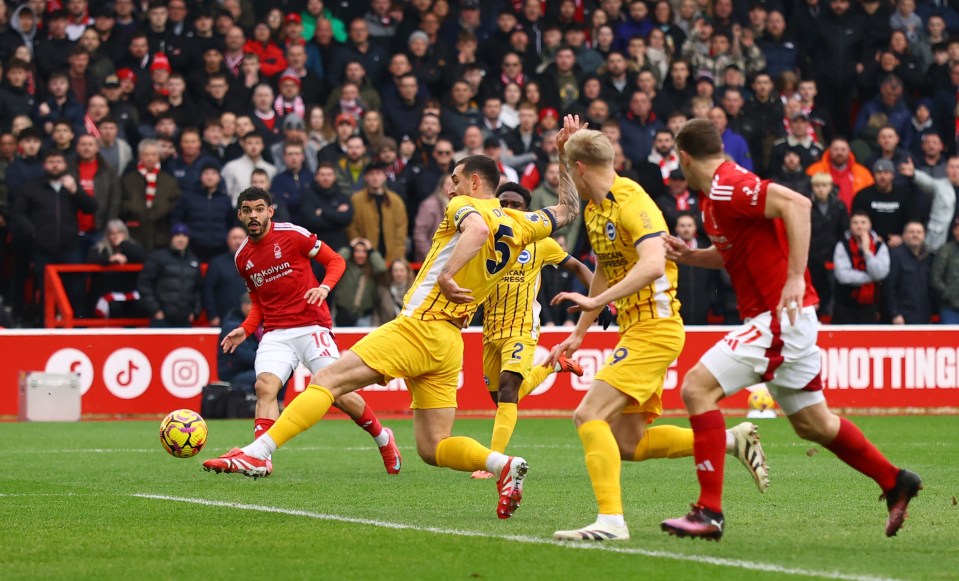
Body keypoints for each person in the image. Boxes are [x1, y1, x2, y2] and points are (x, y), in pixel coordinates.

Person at [203, 147, 582, 521]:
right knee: (433, 448)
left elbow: (478, 229)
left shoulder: (464, 207)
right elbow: (567, 211)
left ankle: (258, 452)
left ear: (475, 181)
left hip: (420, 324)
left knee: (326, 379)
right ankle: (503, 464)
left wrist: (448, 274)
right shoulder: (522, 222)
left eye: (454, 180)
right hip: (451, 341)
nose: (449, 189)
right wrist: (564, 158)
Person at [661, 119, 921, 541]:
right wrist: (690, 256)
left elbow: (797, 204)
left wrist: (796, 277)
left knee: (695, 388)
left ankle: (709, 512)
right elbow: (733, 254)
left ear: (685, 158)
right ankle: (895, 480)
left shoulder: (729, 183)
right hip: (784, 318)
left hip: (779, 315)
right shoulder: (714, 199)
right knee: (814, 425)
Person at [546, 120, 767, 542]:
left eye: (568, 169)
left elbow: (651, 264)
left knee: (588, 415)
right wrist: (580, 332)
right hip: (635, 328)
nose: (566, 177)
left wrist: (595, 302)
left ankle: (610, 521)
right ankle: (730, 440)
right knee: (629, 443)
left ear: (580, 168)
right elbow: (606, 271)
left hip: (656, 327)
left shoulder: (632, 199)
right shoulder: (596, 209)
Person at [212, 187, 401, 475]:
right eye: (247, 210)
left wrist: (324, 287)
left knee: (338, 394)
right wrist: (246, 329)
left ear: (270, 211)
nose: (253, 215)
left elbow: (336, 261)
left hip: (312, 325)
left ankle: (383, 438)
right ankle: (261, 459)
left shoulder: (292, 234)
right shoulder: (242, 258)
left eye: (259, 209)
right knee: (264, 387)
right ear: (239, 215)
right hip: (276, 333)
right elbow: (258, 303)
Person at [470, 182, 593, 480]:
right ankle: (554, 364)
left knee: (509, 391)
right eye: (504, 203)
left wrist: (597, 301)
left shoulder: (540, 243)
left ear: (527, 212)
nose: (509, 209)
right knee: (502, 399)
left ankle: (494, 463)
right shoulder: (484, 239)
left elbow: (578, 267)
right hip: (491, 331)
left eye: (516, 205)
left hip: (522, 328)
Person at [833, 211, 891, 324]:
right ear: (850, 226)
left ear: (870, 225)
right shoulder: (842, 245)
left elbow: (881, 273)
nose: (859, 226)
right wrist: (871, 277)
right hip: (845, 306)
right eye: (855, 222)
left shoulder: (880, 246)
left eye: (863, 222)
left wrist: (867, 252)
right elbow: (843, 276)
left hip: (871, 306)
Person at [87, 220, 148, 319]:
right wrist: (109, 259)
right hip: (107, 294)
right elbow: (90, 259)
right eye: (112, 233)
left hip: (129, 292)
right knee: (115, 308)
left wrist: (123, 244)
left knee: (140, 306)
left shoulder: (133, 247)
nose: (115, 236)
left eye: (119, 233)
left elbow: (144, 258)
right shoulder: (100, 249)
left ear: (125, 233)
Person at [883, 221, 934, 324]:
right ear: (904, 235)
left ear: (924, 235)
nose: (915, 235)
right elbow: (888, 287)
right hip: (901, 316)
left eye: (919, 232)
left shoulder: (929, 258)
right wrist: (894, 313)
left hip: (923, 314)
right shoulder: (895, 255)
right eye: (911, 232)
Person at [930, 217, 959, 324]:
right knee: (950, 340)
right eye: (958, 228)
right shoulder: (945, 250)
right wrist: (950, 296)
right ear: (954, 231)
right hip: (950, 308)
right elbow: (935, 278)